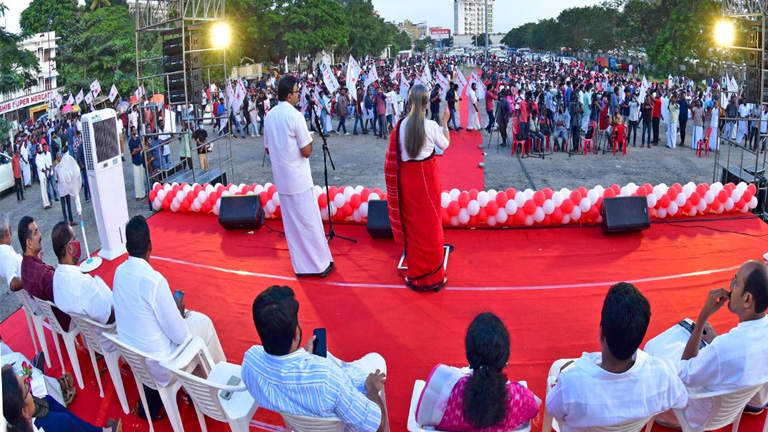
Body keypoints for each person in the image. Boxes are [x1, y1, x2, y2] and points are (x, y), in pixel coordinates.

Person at [242, 285, 390, 432]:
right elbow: (377, 425)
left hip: (302, 421)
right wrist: (371, 387)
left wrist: (306, 356)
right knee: (376, 360)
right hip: (342, 415)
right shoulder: (326, 378)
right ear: (296, 335)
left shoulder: (250, 361)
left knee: (330, 359)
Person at [546, 282, 688, 430]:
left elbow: (554, 410)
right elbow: (681, 399)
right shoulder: (662, 375)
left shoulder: (571, 384)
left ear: (602, 333)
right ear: (640, 336)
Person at [644, 261, 768, 429]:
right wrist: (716, 340)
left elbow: (683, 373)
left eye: (735, 282)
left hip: (698, 413)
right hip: (732, 407)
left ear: (747, 299)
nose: (730, 286)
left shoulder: (723, 349)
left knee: (653, 347)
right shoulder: (735, 343)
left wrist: (702, 318)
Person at [112, 215, 226, 389]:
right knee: (203, 323)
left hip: (137, 360)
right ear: (150, 245)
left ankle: (201, 380)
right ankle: (219, 384)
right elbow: (180, 336)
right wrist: (179, 315)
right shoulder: (154, 281)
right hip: (163, 367)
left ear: (127, 247)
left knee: (189, 321)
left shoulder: (119, 272)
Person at [415, 313, 540, 431]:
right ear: (505, 358)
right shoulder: (520, 399)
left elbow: (420, 417)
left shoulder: (443, 390)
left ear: (469, 355)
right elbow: (534, 410)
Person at [264, 76, 333, 277]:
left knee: (293, 227)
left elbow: (268, 149)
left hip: (283, 180)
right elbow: (306, 151)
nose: (298, 96)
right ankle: (319, 265)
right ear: (289, 95)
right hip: (299, 180)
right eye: (296, 92)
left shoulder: (270, 116)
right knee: (309, 222)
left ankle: (302, 267)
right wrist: (310, 139)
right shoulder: (295, 116)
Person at [384, 84, 449, 291]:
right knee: (430, 227)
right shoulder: (431, 126)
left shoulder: (400, 125)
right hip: (426, 180)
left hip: (406, 181)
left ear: (410, 101)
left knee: (412, 228)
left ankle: (416, 275)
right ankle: (433, 276)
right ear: (426, 102)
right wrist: (445, 123)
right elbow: (445, 145)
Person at [51, 222, 115, 350]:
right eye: (75, 238)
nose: (78, 242)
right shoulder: (82, 284)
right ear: (70, 248)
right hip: (108, 339)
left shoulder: (57, 277)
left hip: (90, 337)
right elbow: (109, 318)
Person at [2, 366, 122, 432]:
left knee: (47, 401)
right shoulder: (54, 426)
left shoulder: (11, 416)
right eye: (26, 387)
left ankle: (100, 431)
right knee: (64, 421)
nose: (27, 382)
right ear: (24, 412)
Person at [16, 216, 72, 332]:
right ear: (29, 243)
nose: (40, 235)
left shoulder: (24, 267)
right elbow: (66, 299)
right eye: (36, 232)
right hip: (67, 320)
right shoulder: (43, 274)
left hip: (55, 321)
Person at [0, 213, 24, 294]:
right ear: (7, 232)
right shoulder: (6, 254)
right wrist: (30, 282)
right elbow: (13, 284)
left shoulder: (4, 250)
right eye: (10, 228)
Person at [127, 127, 146, 200]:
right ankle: (138, 195)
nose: (135, 131)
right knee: (137, 179)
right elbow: (132, 152)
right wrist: (137, 150)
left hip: (140, 160)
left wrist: (136, 150)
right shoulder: (130, 141)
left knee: (141, 177)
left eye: (135, 130)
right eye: (134, 130)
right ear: (131, 132)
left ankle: (143, 193)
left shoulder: (138, 139)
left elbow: (141, 148)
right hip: (135, 161)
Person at [34, 145, 51, 209]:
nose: (39, 150)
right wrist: (45, 171)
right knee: (43, 189)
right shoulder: (37, 157)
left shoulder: (41, 156)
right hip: (41, 175)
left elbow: (44, 165)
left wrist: (47, 169)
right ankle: (45, 204)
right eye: (38, 149)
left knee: (45, 189)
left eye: (39, 149)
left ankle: (47, 203)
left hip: (44, 175)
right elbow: (40, 167)